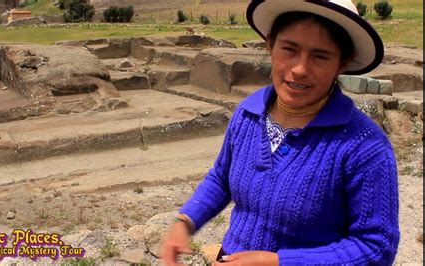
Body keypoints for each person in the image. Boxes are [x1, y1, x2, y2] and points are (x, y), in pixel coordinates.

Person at [161, 0, 400, 265]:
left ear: (343, 62)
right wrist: (185, 221)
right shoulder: (248, 114)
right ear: (270, 45)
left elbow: (377, 247)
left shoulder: (363, 147)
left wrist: (280, 262)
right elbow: (221, 178)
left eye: (320, 56)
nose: (299, 69)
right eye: (289, 49)